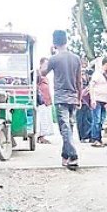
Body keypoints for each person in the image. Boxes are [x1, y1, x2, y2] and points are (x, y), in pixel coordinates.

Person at [41, 30, 81, 169]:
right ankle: (65, 155)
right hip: (73, 97)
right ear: (66, 41)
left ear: (54, 42)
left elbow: (42, 72)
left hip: (60, 97)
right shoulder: (76, 58)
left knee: (65, 128)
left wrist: (50, 54)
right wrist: (79, 97)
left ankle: (73, 156)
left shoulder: (54, 59)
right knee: (69, 127)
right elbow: (79, 81)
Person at [89, 57, 107, 147]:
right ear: (106, 64)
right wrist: (93, 99)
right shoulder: (97, 74)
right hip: (97, 99)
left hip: (105, 100)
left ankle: (99, 138)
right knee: (97, 119)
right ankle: (95, 138)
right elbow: (91, 86)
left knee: (102, 120)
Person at [36, 57, 54, 144]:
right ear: (41, 64)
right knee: (41, 119)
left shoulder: (45, 75)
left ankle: (43, 136)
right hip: (41, 100)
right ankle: (41, 136)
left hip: (46, 99)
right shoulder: (38, 73)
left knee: (46, 118)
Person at [77, 70, 93, 143]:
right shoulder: (78, 82)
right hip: (81, 102)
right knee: (81, 121)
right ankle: (82, 137)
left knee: (88, 120)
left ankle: (88, 135)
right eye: (82, 73)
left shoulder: (88, 82)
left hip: (87, 103)